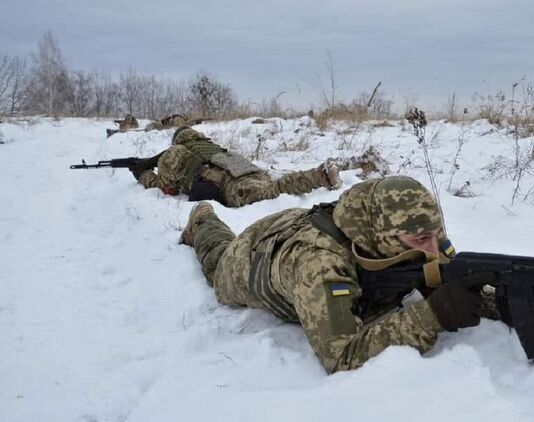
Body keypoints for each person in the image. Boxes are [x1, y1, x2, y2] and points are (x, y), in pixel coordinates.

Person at [179, 175, 485, 373]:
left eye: (436, 234)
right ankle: (203, 218)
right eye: (421, 241)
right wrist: (431, 315)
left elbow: (449, 269)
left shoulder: (416, 228)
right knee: (217, 257)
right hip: (251, 258)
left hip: (301, 224)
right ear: (382, 238)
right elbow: (341, 356)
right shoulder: (319, 264)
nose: (435, 248)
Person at [130, 126, 342, 207]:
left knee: (274, 192)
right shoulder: (207, 146)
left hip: (232, 184)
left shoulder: (173, 153)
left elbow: (163, 186)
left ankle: (321, 176)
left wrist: (143, 174)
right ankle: (320, 175)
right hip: (252, 171)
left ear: (177, 140)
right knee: (274, 184)